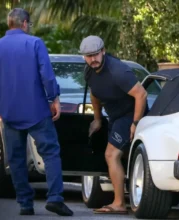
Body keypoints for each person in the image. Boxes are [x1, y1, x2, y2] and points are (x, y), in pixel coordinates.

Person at [0, 8, 73, 216]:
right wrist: (54, 98)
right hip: (36, 111)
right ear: (25, 24)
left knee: (15, 158)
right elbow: (47, 76)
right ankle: (55, 198)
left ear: (10, 24)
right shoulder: (34, 43)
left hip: (9, 112)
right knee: (50, 153)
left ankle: (25, 203)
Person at [79, 35, 148, 214]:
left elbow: (141, 94)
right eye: (88, 56)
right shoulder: (89, 71)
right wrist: (97, 119)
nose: (92, 59)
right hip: (114, 117)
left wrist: (136, 123)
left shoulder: (118, 71)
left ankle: (118, 203)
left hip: (129, 114)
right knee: (122, 155)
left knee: (111, 154)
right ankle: (135, 193)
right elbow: (95, 94)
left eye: (95, 54)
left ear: (103, 51)